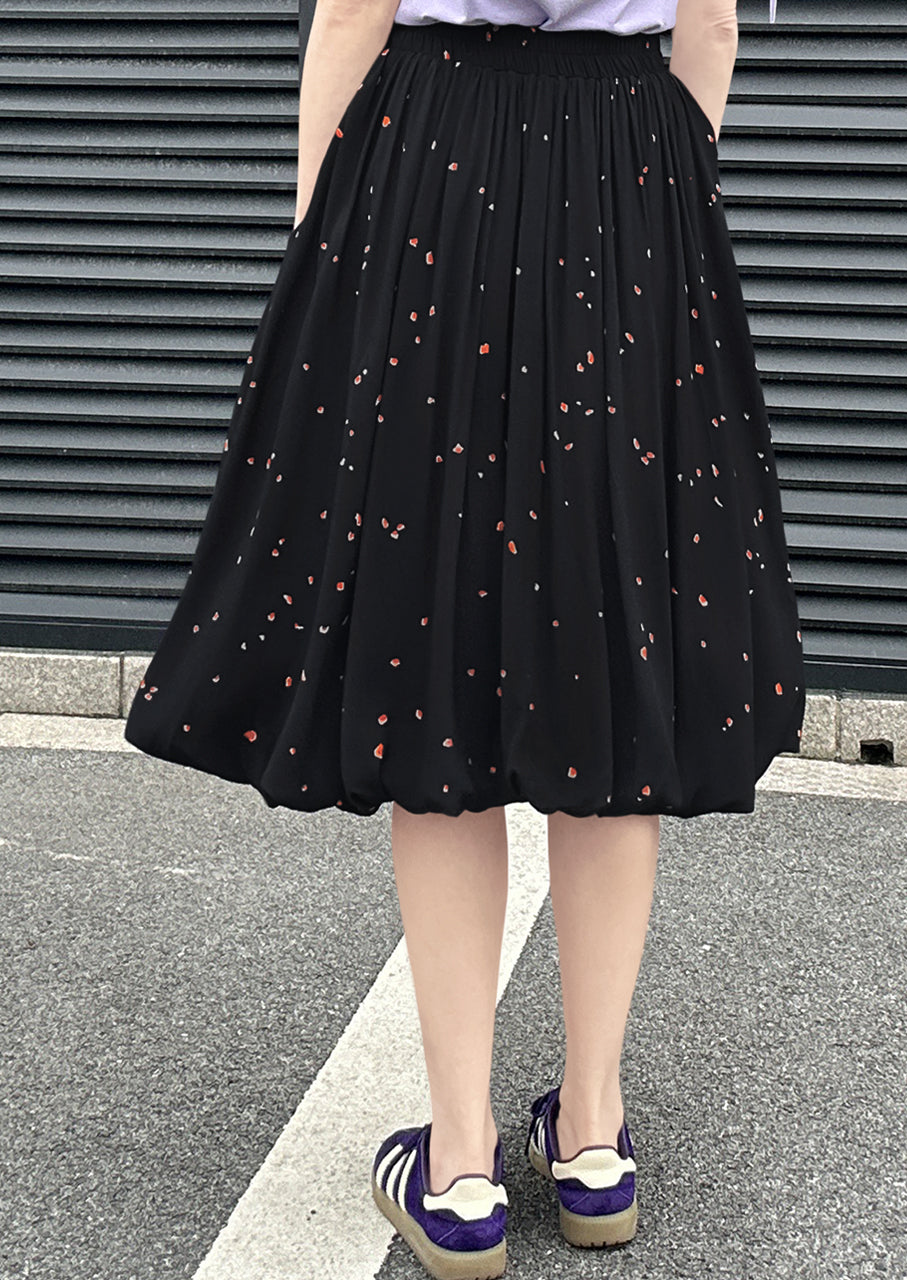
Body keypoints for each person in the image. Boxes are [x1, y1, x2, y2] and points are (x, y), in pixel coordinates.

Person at [123, 0, 801, 1276]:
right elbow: (708, 21)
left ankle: (461, 1162)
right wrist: (659, 190)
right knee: (612, 650)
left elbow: (352, 11)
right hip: (625, 161)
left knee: (433, 651)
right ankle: (591, 1138)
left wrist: (321, 234)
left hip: (432, 162)